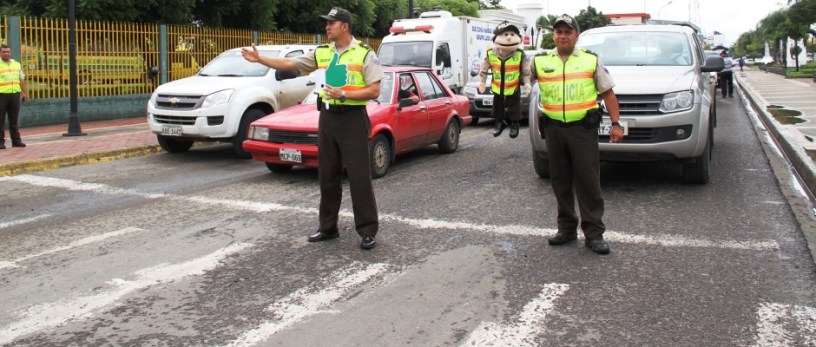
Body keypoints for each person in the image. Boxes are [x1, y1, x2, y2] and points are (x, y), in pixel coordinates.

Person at [242, 7, 383, 250]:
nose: (327, 27)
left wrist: (343, 94)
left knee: (359, 177)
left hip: (353, 118)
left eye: (331, 23)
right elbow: (290, 63)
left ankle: (367, 230)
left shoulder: (363, 54)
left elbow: (374, 90)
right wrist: (261, 59)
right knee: (327, 175)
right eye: (326, 23)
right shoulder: (323, 52)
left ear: (344, 26)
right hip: (328, 117)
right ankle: (328, 228)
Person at [531, 14, 623, 255]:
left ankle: (594, 234)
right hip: (553, 129)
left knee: (588, 182)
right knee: (560, 181)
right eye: (559, 31)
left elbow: (608, 93)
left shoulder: (590, 60)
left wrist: (616, 124)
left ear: (576, 35)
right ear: (554, 35)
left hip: (582, 130)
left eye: (568, 32)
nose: (563, 36)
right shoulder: (540, 61)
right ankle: (566, 229)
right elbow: (519, 83)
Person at [478, 21, 532, 138]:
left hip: (513, 86)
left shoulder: (520, 54)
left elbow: (526, 71)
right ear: (494, 38)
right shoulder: (490, 54)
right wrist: (482, 82)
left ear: (520, 38)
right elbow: (484, 69)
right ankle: (499, 122)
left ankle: (514, 123)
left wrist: (527, 83)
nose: (508, 38)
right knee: (497, 105)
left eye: (512, 35)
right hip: (497, 86)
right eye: (505, 34)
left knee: (514, 106)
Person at [0, 44, 29, 149]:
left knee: (14, 120)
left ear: (10, 53)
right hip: (1, 95)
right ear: (0, 53)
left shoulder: (17, 64)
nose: (6, 53)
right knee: (0, 120)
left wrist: (25, 93)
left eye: (8, 51)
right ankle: (0, 142)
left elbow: (21, 80)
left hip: (14, 95)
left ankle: (16, 141)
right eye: (4, 52)